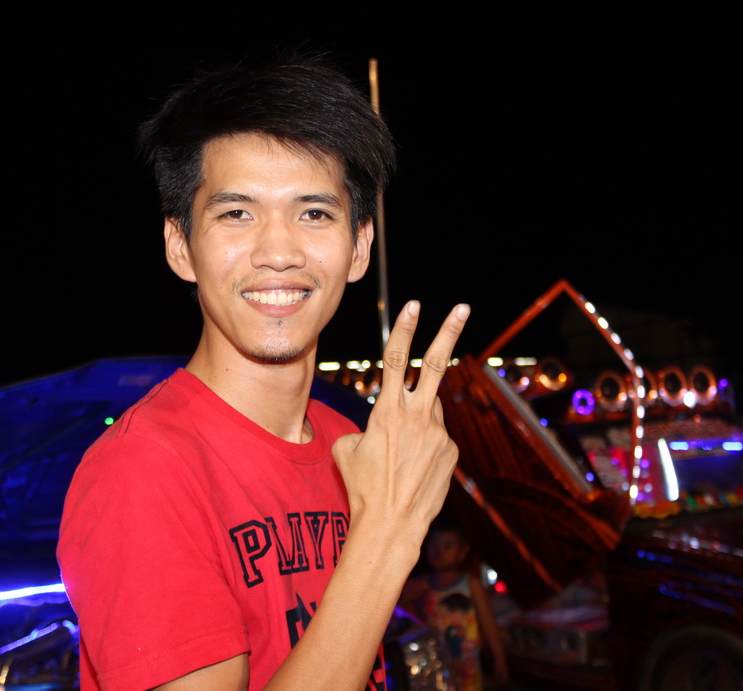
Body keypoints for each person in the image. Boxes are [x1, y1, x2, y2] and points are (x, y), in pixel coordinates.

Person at [57, 54, 470, 691]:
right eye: (237, 213)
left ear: (359, 247)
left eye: (314, 213)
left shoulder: (355, 447)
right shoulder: (143, 470)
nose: (278, 252)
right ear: (180, 246)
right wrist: (390, 531)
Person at [401, 524, 508, 691]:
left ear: (463, 551)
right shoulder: (420, 586)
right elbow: (416, 626)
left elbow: (488, 622)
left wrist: (499, 658)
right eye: (434, 545)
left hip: (467, 669)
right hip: (434, 668)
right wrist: (406, 601)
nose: (439, 551)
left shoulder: (471, 584)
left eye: (447, 546)